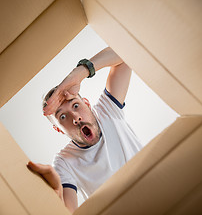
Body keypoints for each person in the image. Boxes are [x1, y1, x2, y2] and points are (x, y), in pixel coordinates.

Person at [27, 47, 143, 213]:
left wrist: (80, 72)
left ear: (87, 104)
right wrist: (55, 194)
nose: (75, 117)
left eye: (76, 105)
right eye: (62, 117)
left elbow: (125, 52)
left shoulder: (107, 111)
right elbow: (69, 211)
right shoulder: (64, 162)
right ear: (58, 130)